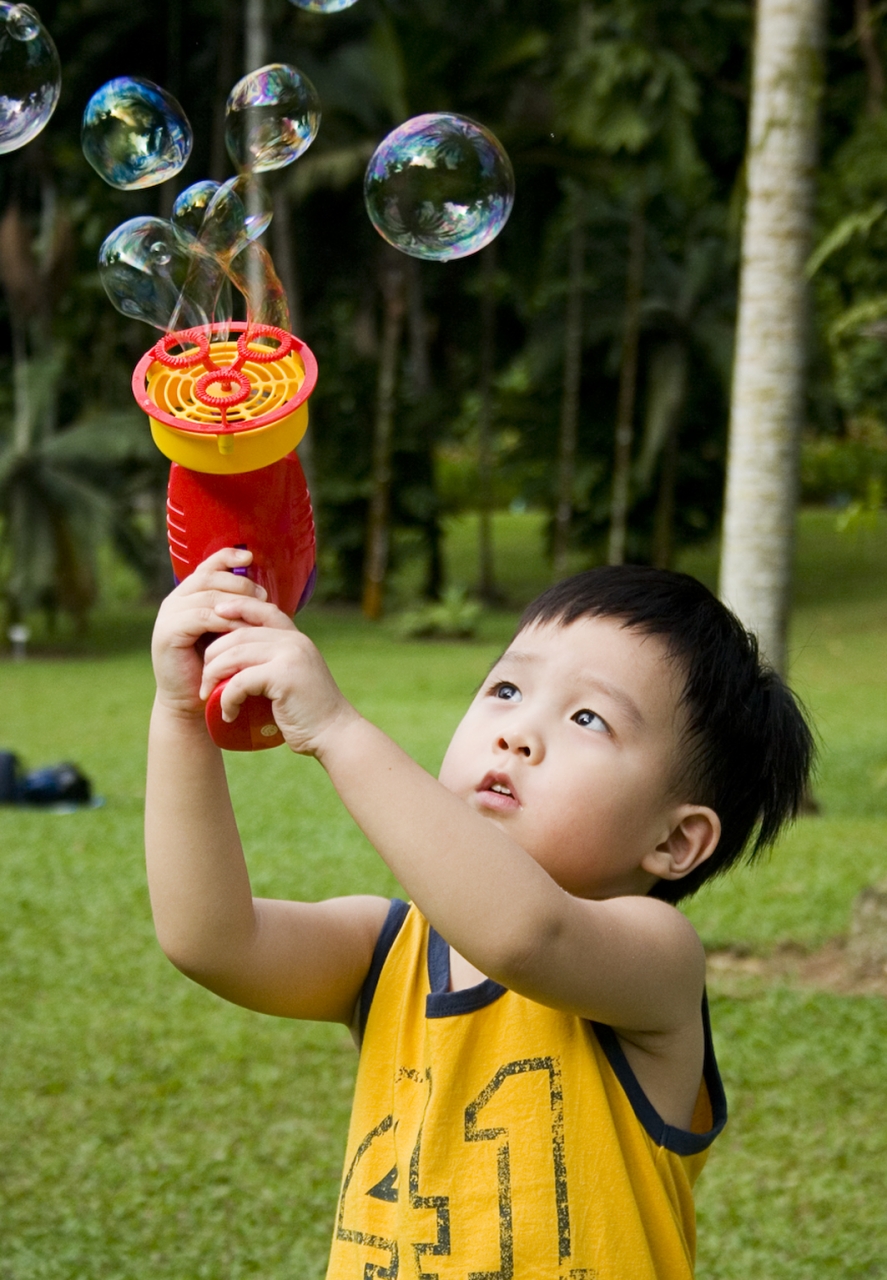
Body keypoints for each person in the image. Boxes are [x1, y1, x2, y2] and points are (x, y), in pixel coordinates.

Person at [145, 550, 814, 1279]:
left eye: (588, 717)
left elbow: (525, 934)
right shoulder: (385, 952)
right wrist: (181, 714)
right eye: (506, 688)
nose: (517, 732)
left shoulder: (656, 960)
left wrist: (337, 729)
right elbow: (212, 940)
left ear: (674, 841)